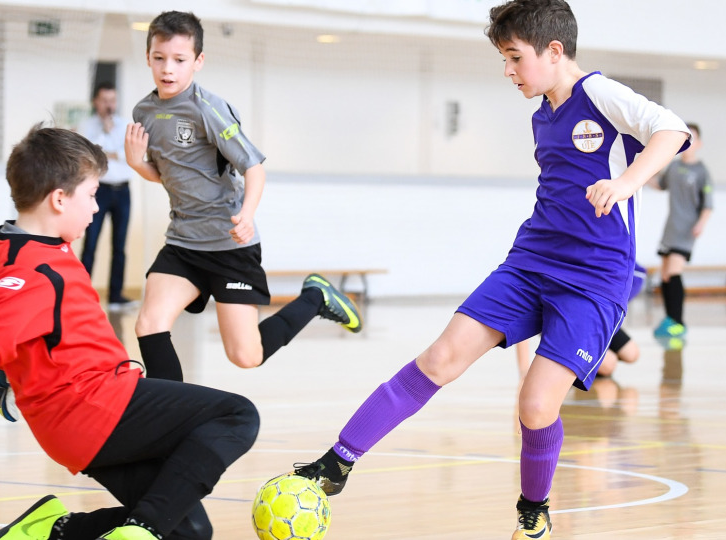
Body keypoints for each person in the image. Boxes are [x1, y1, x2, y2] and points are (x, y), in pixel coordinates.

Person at [291, 1, 690, 538]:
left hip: (595, 278)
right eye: (502, 59)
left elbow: (671, 129)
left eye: (513, 58)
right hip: (531, 261)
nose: (507, 71)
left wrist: (625, 184)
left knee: (535, 404)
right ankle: (337, 462)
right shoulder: (542, 115)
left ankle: (534, 509)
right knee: (440, 358)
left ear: (554, 51)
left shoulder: (599, 94)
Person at [0, 124, 259, 540]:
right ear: (59, 199)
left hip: (80, 425)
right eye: (92, 195)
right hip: (96, 408)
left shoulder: (27, 246)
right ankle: (141, 530)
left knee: (189, 531)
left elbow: (30, 328)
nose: (96, 209)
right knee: (237, 415)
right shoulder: (32, 272)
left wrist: (13, 368)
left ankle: (51, 531)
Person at [124, 11, 362, 382]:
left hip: (229, 246)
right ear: (148, 57)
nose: (167, 68)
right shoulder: (145, 112)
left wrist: (247, 214)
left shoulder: (209, 109)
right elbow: (175, 177)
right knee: (149, 323)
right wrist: (137, 165)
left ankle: (316, 298)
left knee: (246, 356)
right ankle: (170, 416)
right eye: (159, 58)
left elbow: (254, 168)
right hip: (184, 243)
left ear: (198, 61)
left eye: (179, 60)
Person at [515, 263, 645, 380]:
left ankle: (576, 362)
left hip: (591, 314)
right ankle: (569, 362)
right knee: (608, 364)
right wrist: (524, 369)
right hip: (562, 320)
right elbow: (521, 318)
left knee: (632, 353)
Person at [649, 123, 713, 340]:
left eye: (693, 139)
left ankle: (678, 322)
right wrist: (641, 171)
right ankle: (669, 319)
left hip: (687, 230)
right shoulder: (674, 167)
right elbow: (660, 184)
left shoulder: (702, 172)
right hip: (670, 229)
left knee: (675, 273)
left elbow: (708, 204)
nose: (689, 144)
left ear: (699, 144)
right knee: (665, 275)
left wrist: (700, 224)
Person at [78, 81, 138, 311]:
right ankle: (81, 296)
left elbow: (129, 156)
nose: (109, 105)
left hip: (122, 191)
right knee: (91, 242)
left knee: (120, 245)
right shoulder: (87, 126)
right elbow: (89, 156)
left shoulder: (125, 126)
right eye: (104, 100)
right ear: (96, 102)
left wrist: (109, 146)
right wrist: (105, 134)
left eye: (112, 100)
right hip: (98, 191)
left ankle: (115, 296)